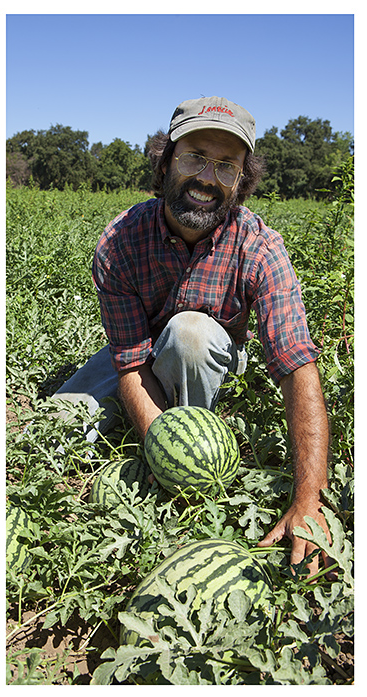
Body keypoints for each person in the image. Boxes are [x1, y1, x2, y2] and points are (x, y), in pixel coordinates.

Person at [60, 96, 330, 578]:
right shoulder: (120, 241)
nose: (208, 177)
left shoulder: (258, 247)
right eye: (194, 157)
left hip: (214, 349)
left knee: (190, 334)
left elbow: (295, 364)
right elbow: (130, 360)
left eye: (227, 165)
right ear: (165, 161)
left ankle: (196, 445)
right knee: (58, 423)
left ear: (242, 180)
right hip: (141, 349)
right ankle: (172, 445)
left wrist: (308, 498)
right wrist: (164, 446)